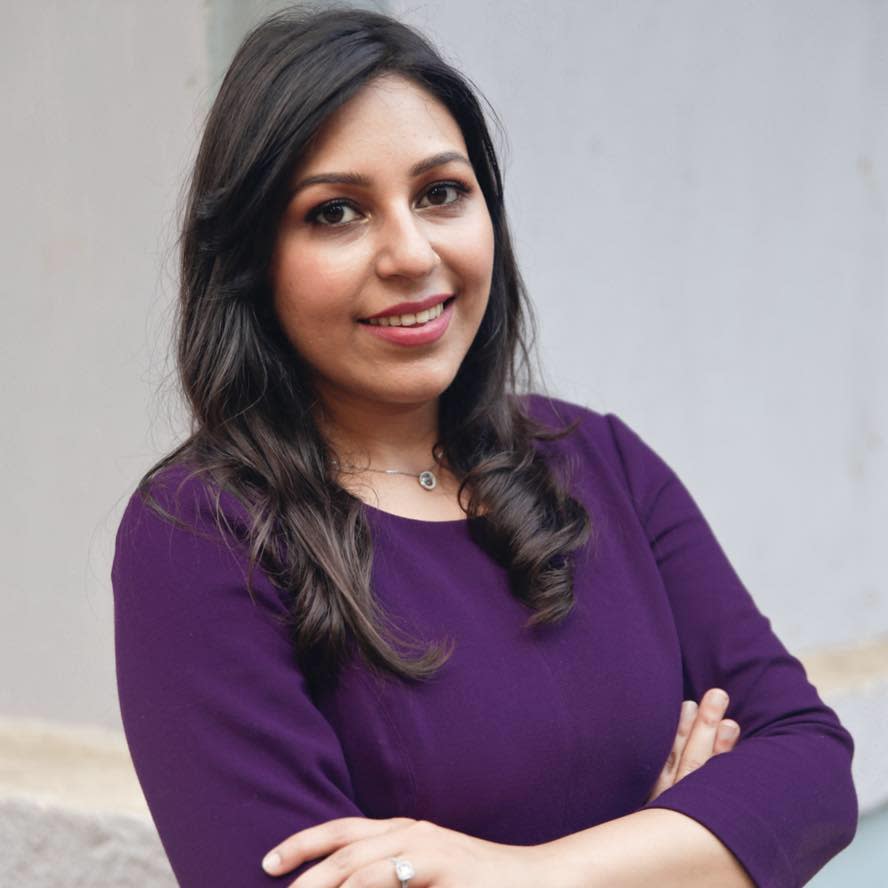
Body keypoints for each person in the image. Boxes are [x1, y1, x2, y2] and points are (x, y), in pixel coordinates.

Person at [111, 6, 857, 887]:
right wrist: (679, 849)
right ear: (251, 258)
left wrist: (526, 873)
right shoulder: (203, 537)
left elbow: (811, 767)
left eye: (440, 193)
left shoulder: (600, 462)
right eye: (337, 212)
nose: (411, 253)